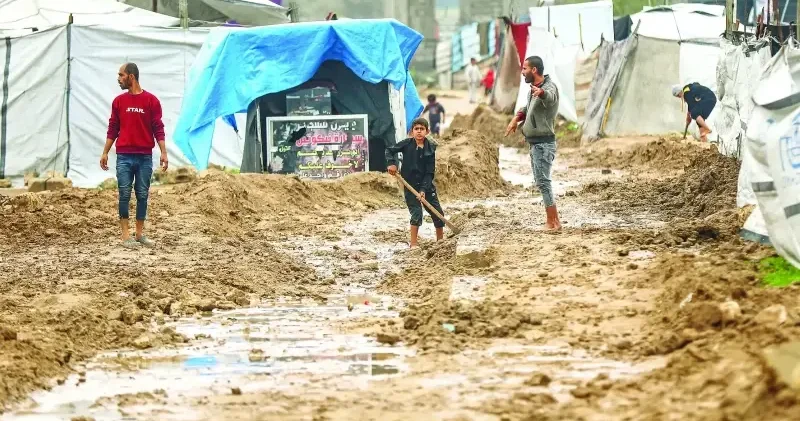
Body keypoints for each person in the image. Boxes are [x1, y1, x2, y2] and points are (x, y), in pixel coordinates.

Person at [100, 63, 168, 249]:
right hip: (124, 157)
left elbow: (158, 128)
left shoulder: (151, 101)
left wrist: (163, 152)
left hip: (145, 157)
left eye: (121, 75)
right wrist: (105, 151)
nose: (118, 79)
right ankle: (125, 236)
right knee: (124, 194)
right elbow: (113, 127)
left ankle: (139, 235)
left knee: (142, 194)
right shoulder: (118, 102)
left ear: (131, 76)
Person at [504, 56, 562, 230]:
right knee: (540, 182)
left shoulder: (548, 87)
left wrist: (541, 93)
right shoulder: (533, 89)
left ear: (534, 70)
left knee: (544, 182)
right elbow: (527, 108)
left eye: (524, 69)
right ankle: (553, 220)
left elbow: (550, 98)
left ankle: (553, 222)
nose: (522, 72)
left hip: (544, 144)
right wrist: (516, 118)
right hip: (536, 143)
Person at [386, 118, 446, 247]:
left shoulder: (431, 149)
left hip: (427, 186)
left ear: (427, 131)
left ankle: (440, 242)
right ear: (412, 132)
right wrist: (391, 163)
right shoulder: (406, 144)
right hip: (410, 185)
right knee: (417, 214)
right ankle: (413, 244)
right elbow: (389, 150)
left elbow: (429, 173)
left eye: (422, 129)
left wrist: (423, 190)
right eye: (416, 129)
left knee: (438, 213)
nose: (419, 132)